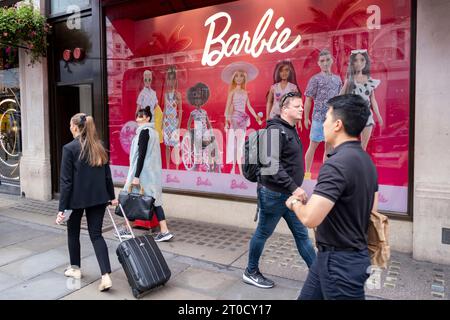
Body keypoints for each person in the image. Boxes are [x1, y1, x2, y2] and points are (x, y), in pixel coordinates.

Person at [286, 94, 378, 300]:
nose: (323, 124)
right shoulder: (365, 160)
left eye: (326, 118)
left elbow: (310, 218)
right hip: (340, 256)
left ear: (337, 124)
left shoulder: (336, 164)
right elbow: (371, 210)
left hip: (339, 263)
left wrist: (293, 203)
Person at [243, 91, 316, 289]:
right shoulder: (275, 130)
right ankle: (250, 271)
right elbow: (270, 165)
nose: (302, 108)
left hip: (289, 196)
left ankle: (319, 276)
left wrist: (294, 190)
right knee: (263, 233)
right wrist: (295, 188)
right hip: (274, 195)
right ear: (284, 109)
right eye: (297, 106)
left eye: (302, 106)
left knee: (301, 235)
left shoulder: (290, 129)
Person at [56, 113, 116, 292]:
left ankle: (75, 269)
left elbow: (66, 182)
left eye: (70, 125)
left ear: (75, 127)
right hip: (99, 198)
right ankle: (105, 275)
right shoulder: (100, 146)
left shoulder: (69, 149)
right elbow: (107, 175)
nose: (69, 127)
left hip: (76, 200)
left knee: (73, 233)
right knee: (96, 235)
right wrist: (111, 196)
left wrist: (62, 208)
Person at [116, 106, 174, 242]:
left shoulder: (144, 132)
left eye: (141, 116)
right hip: (152, 173)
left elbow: (141, 156)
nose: (138, 119)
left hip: (143, 174)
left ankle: (127, 229)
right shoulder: (154, 133)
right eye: (137, 116)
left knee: (132, 198)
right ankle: (164, 231)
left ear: (148, 118)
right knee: (156, 201)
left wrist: (136, 176)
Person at [303, 49, 342, 179]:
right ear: (318, 63)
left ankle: (325, 174)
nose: (325, 63)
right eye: (322, 61)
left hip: (332, 118)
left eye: (327, 60)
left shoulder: (337, 80)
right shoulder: (315, 79)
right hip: (318, 117)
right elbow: (308, 99)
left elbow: (340, 99)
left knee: (329, 147)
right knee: (313, 145)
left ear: (332, 61)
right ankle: (307, 172)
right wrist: (306, 117)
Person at [222, 62, 262, 174]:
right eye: (237, 76)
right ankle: (235, 168)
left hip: (244, 119)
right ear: (233, 78)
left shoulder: (245, 92)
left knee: (239, 145)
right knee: (235, 145)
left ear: (244, 78)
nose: (239, 78)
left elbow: (249, 106)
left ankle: (237, 168)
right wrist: (226, 121)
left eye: (241, 76)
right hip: (235, 118)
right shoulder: (232, 92)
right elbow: (227, 107)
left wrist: (256, 117)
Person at [340, 49, 383, 150]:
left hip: (367, 116)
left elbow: (373, 99)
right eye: (356, 60)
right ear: (352, 63)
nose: (359, 63)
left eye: (362, 60)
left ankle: (359, 165)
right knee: (350, 145)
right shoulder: (350, 80)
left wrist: (378, 115)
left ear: (366, 61)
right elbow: (341, 97)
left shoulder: (370, 80)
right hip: (352, 117)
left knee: (363, 147)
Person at [163, 66, 182, 170]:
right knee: (167, 146)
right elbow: (165, 108)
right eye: (169, 79)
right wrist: (162, 123)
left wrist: (178, 125)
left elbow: (180, 110)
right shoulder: (166, 94)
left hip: (174, 122)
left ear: (175, 80)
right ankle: (167, 167)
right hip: (167, 123)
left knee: (175, 146)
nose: (171, 81)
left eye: (173, 78)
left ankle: (177, 168)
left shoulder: (177, 95)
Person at [136, 69, 163, 143]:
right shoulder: (141, 94)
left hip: (153, 121)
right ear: (143, 81)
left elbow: (157, 107)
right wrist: (138, 122)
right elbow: (137, 110)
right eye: (145, 80)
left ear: (151, 80)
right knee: (145, 141)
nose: (147, 82)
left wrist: (161, 118)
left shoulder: (153, 93)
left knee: (152, 141)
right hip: (144, 120)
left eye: (149, 80)